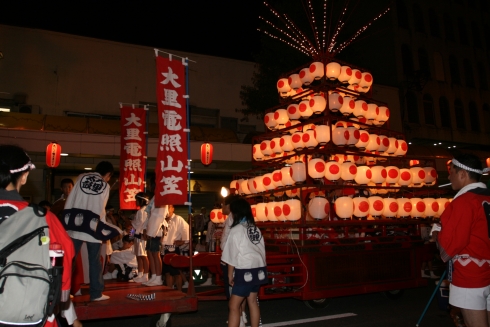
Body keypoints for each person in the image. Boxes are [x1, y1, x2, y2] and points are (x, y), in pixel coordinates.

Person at [0, 145, 75, 327]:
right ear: (24, 176)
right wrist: (61, 295)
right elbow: (65, 255)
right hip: (25, 310)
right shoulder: (43, 218)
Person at [432, 154, 490, 327]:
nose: (449, 177)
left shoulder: (464, 202)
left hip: (472, 274)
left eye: (451, 172)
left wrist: (436, 233)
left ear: (463, 174)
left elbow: (451, 243)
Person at [62, 161, 122, 302]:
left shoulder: (82, 176)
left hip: (75, 222)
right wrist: (102, 226)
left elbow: (72, 198)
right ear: (108, 174)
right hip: (92, 224)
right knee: (94, 260)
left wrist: (67, 217)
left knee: (70, 258)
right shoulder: (104, 185)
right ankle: (96, 293)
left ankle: (64, 290)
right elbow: (101, 208)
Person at [222, 198, 267, 327]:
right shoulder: (255, 229)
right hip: (259, 270)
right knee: (252, 301)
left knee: (233, 305)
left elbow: (232, 255)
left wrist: (230, 275)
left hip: (245, 270)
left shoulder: (236, 230)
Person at [161, 204, 189, 291]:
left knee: (176, 272)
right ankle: (170, 291)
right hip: (163, 248)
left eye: (168, 207)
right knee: (167, 273)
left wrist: (184, 241)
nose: (167, 209)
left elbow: (186, 230)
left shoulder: (178, 219)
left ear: (173, 208)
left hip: (173, 248)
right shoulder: (162, 219)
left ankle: (179, 291)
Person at [142, 197, 168, 286]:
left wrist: (152, 231)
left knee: (155, 254)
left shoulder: (162, 197)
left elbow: (160, 216)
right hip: (150, 229)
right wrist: (146, 229)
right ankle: (153, 276)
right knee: (150, 253)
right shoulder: (153, 198)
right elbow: (149, 215)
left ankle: (158, 277)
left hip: (156, 229)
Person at [132, 192, 150, 283]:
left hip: (141, 236)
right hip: (138, 235)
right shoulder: (142, 210)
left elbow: (141, 224)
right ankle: (140, 274)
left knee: (143, 255)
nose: (136, 202)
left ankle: (145, 275)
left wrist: (133, 232)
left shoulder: (142, 211)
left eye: (137, 200)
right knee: (138, 255)